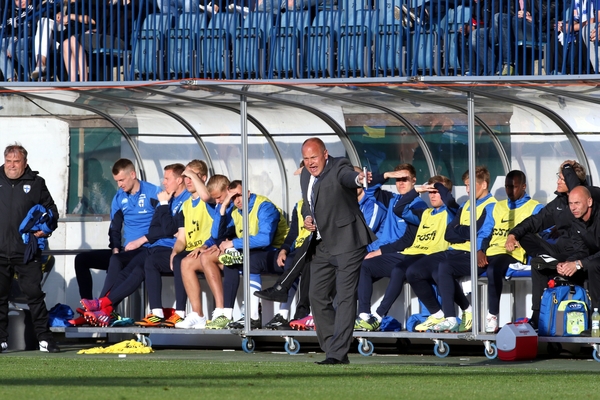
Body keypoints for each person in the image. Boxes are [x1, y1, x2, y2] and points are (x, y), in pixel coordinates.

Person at [300, 137, 376, 365]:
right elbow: (307, 203)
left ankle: (336, 354)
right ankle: (332, 346)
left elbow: (349, 177)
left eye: (314, 157)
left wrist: (359, 179)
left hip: (348, 241)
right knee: (316, 295)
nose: (310, 162)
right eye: (306, 158)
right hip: (322, 244)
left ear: (325, 154)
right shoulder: (305, 174)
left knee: (344, 298)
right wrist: (307, 216)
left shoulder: (340, 165)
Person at [355, 175, 459, 331]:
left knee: (399, 270)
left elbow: (450, 203)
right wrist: (417, 190)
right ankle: (364, 315)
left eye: (436, 192)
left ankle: (378, 316)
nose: (432, 195)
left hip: (429, 257)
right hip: (410, 254)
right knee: (367, 265)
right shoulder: (425, 213)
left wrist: (440, 187)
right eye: (430, 192)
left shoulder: (451, 213)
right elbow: (399, 209)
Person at [407, 166, 497, 333]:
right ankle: (441, 313)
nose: (467, 190)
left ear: (484, 185)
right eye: (466, 186)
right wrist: (466, 232)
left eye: (471, 185)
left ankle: (450, 318)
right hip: (453, 250)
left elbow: (481, 231)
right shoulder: (465, 205)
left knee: (443, 268)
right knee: (413, 271)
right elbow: (449, 234)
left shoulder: (491, 206)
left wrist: (463, 232)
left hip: (474, 254)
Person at [77, 159, 166, 326]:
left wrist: (140, 241)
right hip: (126, 251)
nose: (119, 185)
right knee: (82, 259)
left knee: (117, 260)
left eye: (122, 180)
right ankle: (90, 306)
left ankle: (100, 309)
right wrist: (116, 248)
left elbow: (164, 225)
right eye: (117, 181)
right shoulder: (119, 197)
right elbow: (114, 228)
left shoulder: (153, 192)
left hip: (147, 248)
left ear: (133, 174)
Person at [505, 160, 593, 328]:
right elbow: (535, 221)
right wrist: (513, 234)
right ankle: (537, 316)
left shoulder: (588, 201)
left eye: (562, 178)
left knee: (538, 264)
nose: (557, 181)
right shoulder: (558, 202)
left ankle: (550, 265)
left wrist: (568, 169)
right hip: (559, 251)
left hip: (580, 253)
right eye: (558, 177)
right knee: (527, 240)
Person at [0, 143, 60, 352]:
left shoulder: (36, 183)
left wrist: (45, 229)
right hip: (0, 252)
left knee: (34, 295)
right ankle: (1, 339)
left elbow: (52, 213)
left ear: (25, 163)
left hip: (26, 251)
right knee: (0, 296)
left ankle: (44, 339)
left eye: (16, 161)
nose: (11, 165)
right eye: (8, 161)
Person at [353, 163, 428, 330]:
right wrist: (387, 174)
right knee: (349, 269)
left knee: (367, 266)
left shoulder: (418, 206)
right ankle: (358, 316)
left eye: (405, 179)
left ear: (414, 181)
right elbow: (369, 189)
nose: (400, 183)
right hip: (384, 252)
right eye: (398, 179)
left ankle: (375, 316)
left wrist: (380, 251)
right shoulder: (393, 199)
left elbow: (408, 240)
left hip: (403, 254)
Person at [211, 180, 289, 330]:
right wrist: (223, 207)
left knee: (249, 260)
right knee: (230, 262)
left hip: (277, 251)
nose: (237, 200)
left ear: (248, 193)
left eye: (239, 195)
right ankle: (227, 314)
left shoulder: (264, 206)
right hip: (255, 252)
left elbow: (265, 239)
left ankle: (252, 316)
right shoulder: (235, 211)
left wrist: (233, 243)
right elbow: (216, 234)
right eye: (233, 197)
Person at [473, 170, 543, 333]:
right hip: (491, 252)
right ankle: (457, 315)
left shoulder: (535, 208)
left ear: (524, 187)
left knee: (493, 268)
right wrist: (479, 250)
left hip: (513, 253)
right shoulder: (495, 207)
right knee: (448, 268)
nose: (510, 191)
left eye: (514, 187)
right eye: (507, 187)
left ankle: (492, 316)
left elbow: (546, 231)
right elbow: (484, 233)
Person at [171, 171, 231, 329]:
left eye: (219, 197)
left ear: (228, 190)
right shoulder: (219, 206)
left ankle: (220, 311)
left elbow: (238, 232)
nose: (217, 201)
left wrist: (190, 172)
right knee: (186, 262)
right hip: (220, 248)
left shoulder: (236, 204)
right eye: (215, 198)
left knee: (206, 258)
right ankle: (197, 314)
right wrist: (205, 245)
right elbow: (215, 234)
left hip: (237, 249)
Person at [557, 186, 600, 311]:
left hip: (595, 263)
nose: (573, 208)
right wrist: (569, 263)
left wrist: (579, 264)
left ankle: (596, 315)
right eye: (570, 203)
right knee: (547, 263)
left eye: (577, 203)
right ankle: (574, 312)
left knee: (593, 265)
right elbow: (582, 249)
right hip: (593, 258)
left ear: (589, 202)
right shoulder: (576, 220)